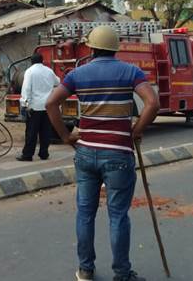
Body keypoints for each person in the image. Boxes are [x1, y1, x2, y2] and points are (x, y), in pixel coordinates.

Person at [45, 25, 158, 281]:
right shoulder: (130, 71)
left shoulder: (78, 74)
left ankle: (85, 269)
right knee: (118, 215)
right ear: (115, 48)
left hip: (85, 152)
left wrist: (65, 136)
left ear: (92, 48)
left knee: (85, 213)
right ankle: (122, 273)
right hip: (118, 154)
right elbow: (153, 103)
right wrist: (135, 131)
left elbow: (51, 102)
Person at [16, 53, 60, 161]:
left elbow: (26, 89)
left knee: (31, 132)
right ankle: (44, 153)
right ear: (42, 60)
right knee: (45, 131)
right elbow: (58, 82)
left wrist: (25, 104)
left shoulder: (30, 71)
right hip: (47, 106)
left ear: (31, 61)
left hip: (34, 106)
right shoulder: (49, 71)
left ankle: (27, 155)